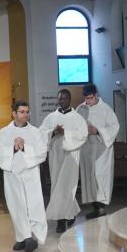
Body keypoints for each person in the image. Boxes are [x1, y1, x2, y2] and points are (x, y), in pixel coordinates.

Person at [0, 100, 47, 252]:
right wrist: (13, 149)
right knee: (17, 205)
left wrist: (25, 148)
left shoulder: (35, 132)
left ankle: (32, 236)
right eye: (22, 112)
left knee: (33, 205)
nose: (25, 114)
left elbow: (42, 152)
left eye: (27, 112)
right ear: (14, 114)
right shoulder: (4, 132)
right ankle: (23, 237)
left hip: (31, 174)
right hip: (13, 174)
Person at [39, 89, 87, 233]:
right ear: (58, 100)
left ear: (69, 99)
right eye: (60, 98)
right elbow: (42, 133)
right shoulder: (51, 117)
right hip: (56, 155)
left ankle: (62, 220)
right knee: (57, 185)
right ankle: (67, 214)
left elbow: (83, 134)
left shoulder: (77, 118)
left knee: (68, 185)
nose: (62, 101)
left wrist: (66, 133)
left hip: (71, 155)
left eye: (65, 98)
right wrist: (53, 132)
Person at [78, 83, 120, 218]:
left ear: (96, 95)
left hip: (102, 149)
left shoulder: (106, 109)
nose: (88, 101)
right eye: (86, 98)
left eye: (91, 98)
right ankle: (95, 208)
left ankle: (101, 207)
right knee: (89, 178)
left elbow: (114, 127)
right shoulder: (80, 109)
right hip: (87, 148)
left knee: (100, 177)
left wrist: (97, 131)